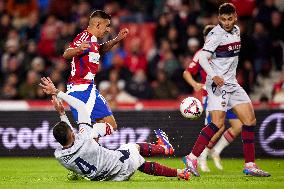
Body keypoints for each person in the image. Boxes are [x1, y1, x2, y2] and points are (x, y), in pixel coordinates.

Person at [39, 77, 190, 181]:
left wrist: (62, 114)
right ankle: (165, 151)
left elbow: (69, 136)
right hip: (116, 165)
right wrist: (56, 92)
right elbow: (80, 106)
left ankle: (178, 170)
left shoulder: (60, 156)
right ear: (72, 133)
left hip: (104, 179)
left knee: (132, 156)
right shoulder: (85, 137)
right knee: (133, 148)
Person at [182, 3, 270, 177]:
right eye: (223, 19)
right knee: (217, 124)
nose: (227, 22)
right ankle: (192, 158)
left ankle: (250, 165)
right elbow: (202, 58)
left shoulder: (236, 30)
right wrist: (214, 75)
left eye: (230, 19)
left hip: (232, 84)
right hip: (217, 85)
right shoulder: (215, 35)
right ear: (218, 19)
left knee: (250, 120)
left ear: (235, 17)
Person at [183, 25, 242, 172]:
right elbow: (187, 72)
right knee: (216, 127)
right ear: (205, 38)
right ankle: (201, 157)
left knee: (238, 126)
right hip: (211, 95)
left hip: (228, 93)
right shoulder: (201, 53)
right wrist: (195, 84)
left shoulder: (224, 50)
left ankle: (216, 151)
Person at [62, 10, 129, 138]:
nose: (108, 30)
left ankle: (87, 143)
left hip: (88, 88)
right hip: (80, 89)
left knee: (106, 126)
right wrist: (77, 50)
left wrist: (116, 40)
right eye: (106, 25)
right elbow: (66, 54)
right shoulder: (84, 36)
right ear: (98, 24)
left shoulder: (93, 41)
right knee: (103, 125)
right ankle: (82, 140)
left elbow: (100, 50)